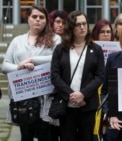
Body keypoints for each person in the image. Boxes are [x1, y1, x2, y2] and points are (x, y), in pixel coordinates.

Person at [1, 5, 61, 141]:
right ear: (28, 19)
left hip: (45, 98)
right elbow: (4, 66)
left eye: (41, 17)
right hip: (23, 97)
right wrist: (19, 67)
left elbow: (58, 60)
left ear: (46, 20)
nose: (38, 20)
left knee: (45, 135)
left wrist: (33, 60)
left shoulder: (55, 39)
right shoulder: (17, 41)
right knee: (26, 136)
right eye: (34, 17)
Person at [50, 10, 105, 141]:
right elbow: (55, 76)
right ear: (70, 27)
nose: (82, 27)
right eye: (78, 24)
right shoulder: (60, 49)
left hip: (88, 105)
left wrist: (83, 94)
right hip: (66, 106)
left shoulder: (96, 49)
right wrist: (71, 95)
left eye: (84, 24)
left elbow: (100, 76)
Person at [92, 18, 115, 141]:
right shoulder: (90, 49)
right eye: (102, 32)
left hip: (108, 96)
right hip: (93, 94)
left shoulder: (117, 51)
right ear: (96, 34)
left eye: (108, 32)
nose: (106, 35)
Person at [48, 9, 67, 141]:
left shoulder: (68, 40)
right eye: (57, 22)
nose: (60, 25)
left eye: (63, 22)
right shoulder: (46, 39)